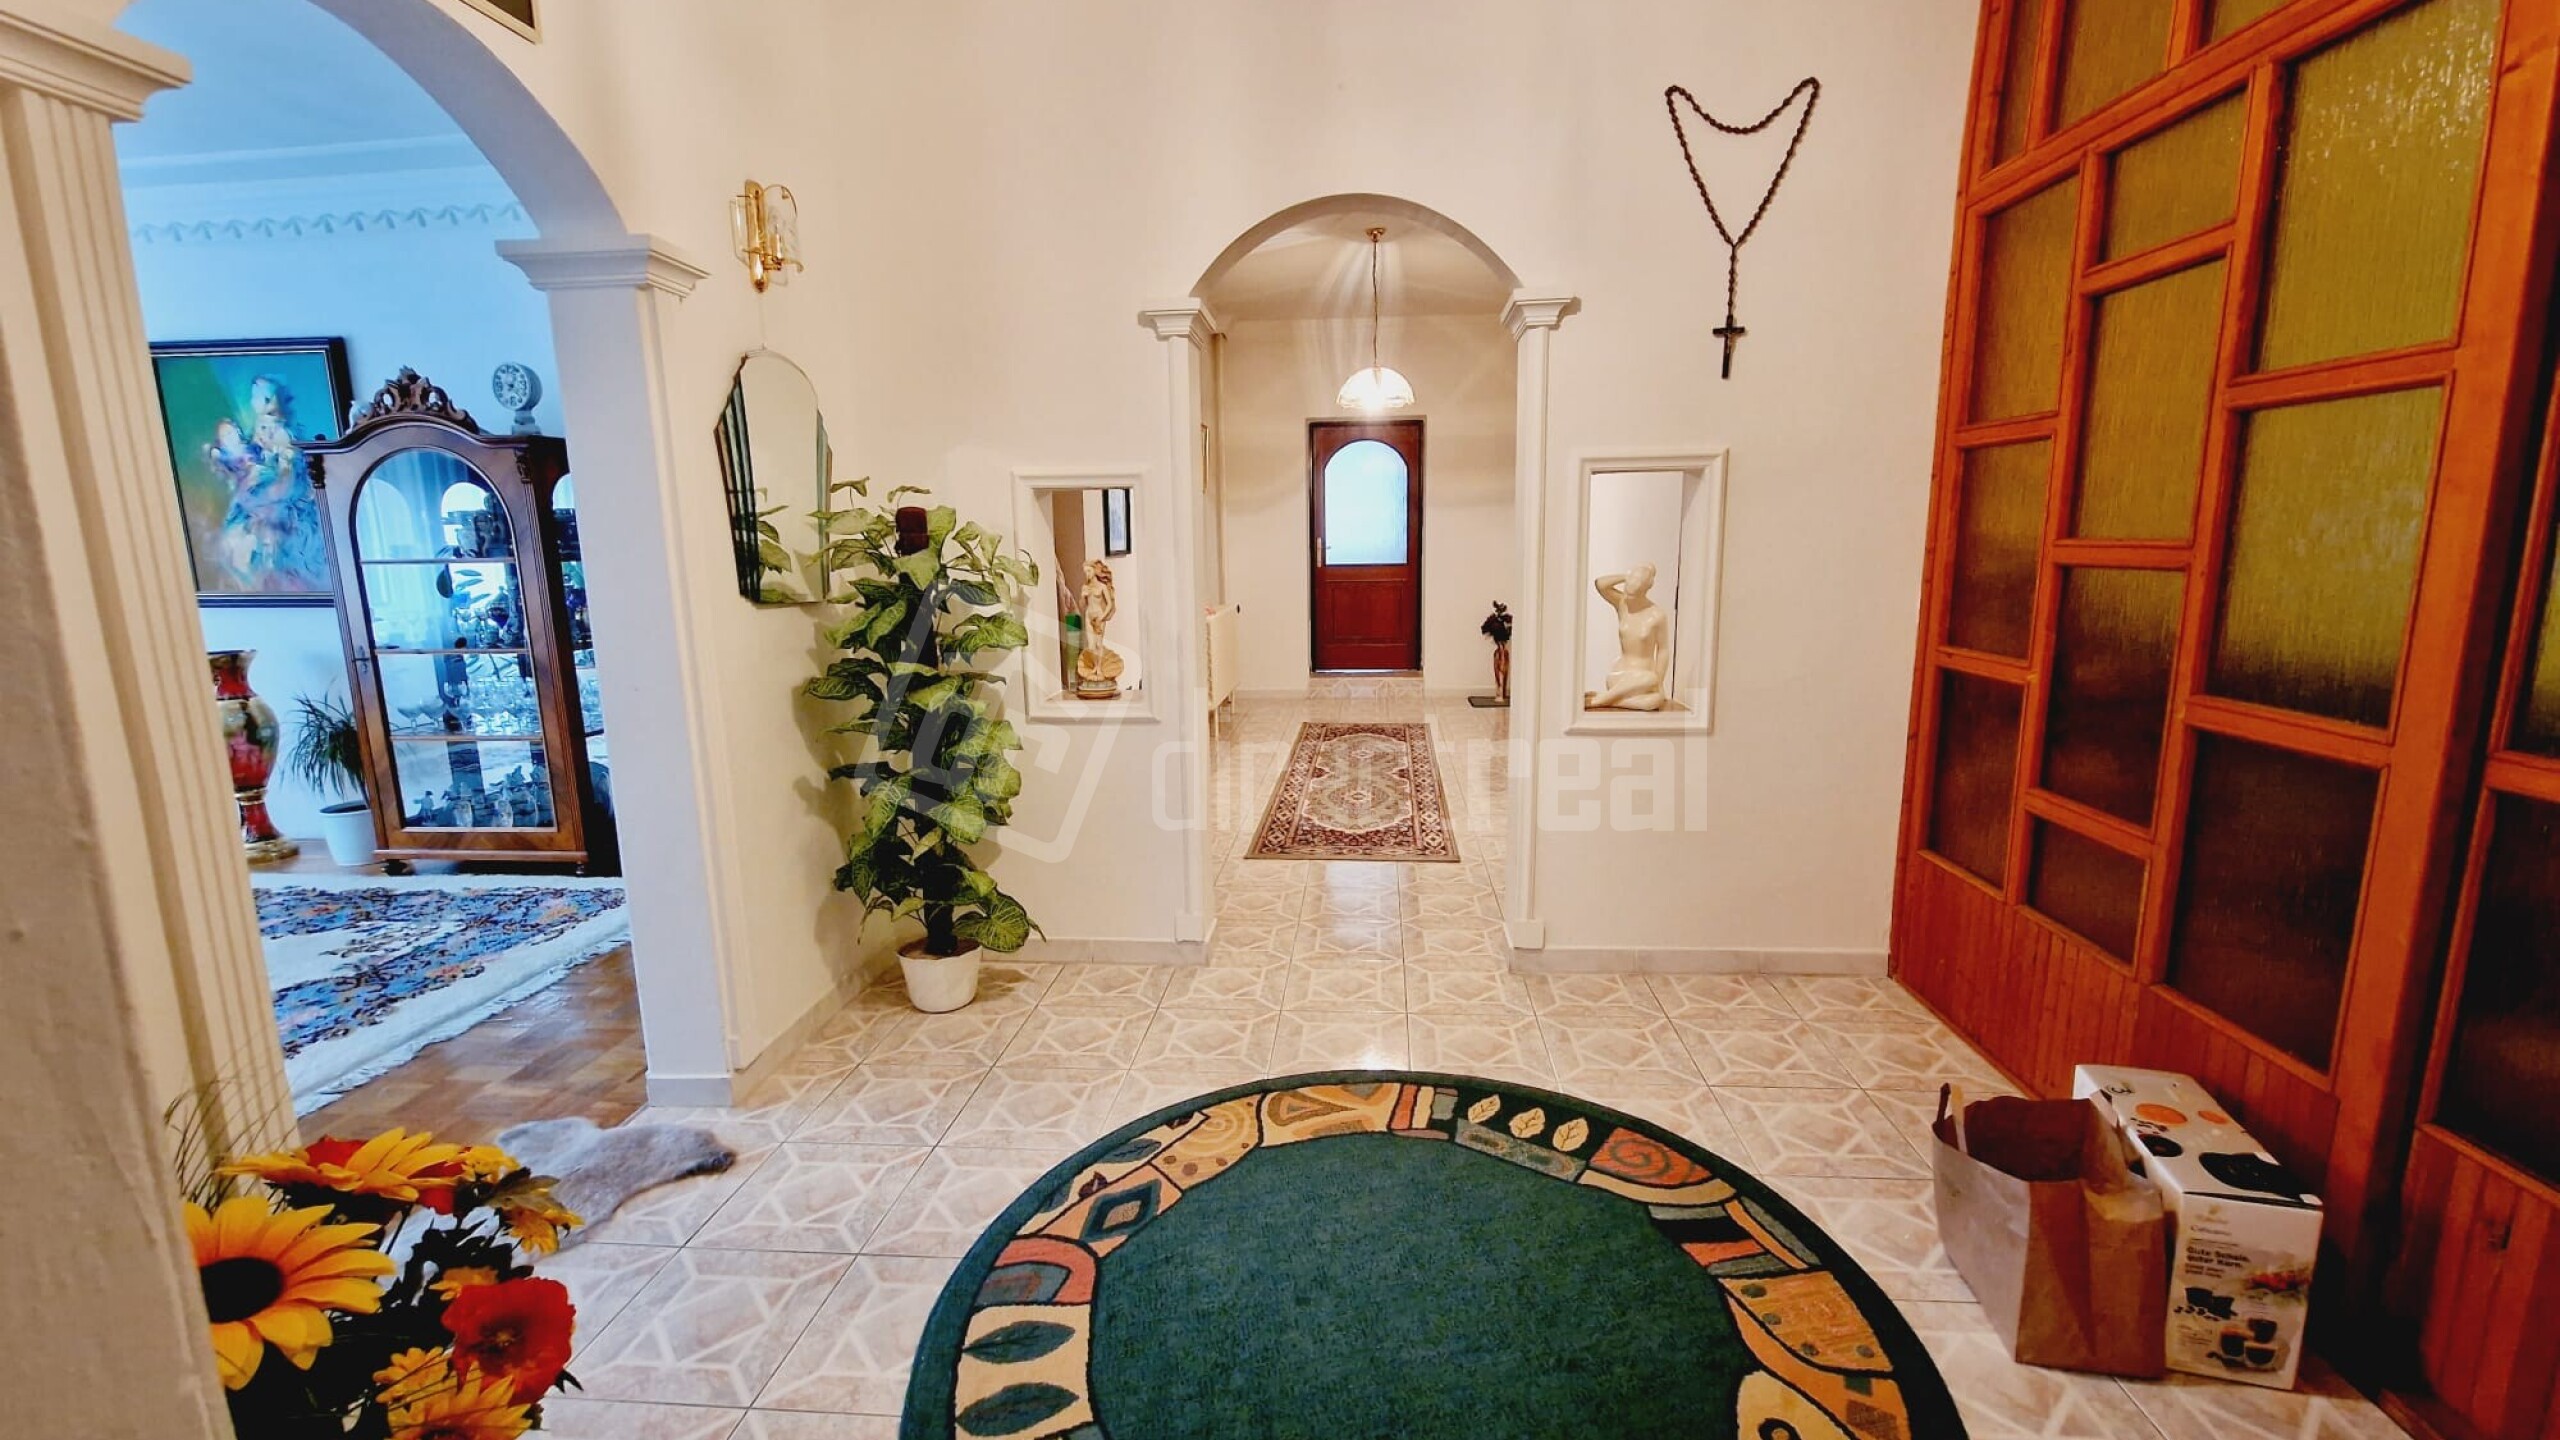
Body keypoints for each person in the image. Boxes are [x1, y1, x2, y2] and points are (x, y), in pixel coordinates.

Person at [1590, 562, 1671, 711]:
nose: (1628, 596)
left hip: (1644, 680)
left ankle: (1604, 700)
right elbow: (1601, 584)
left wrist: (1659, 682)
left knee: (1653, 697)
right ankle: (1608, 698)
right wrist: (1626, 576)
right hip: (1619, 677)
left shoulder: (1657, 615)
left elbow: (1663, 650)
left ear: (1646, 589)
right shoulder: (1622, 604)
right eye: (1627, 591)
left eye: (1633, 593)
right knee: (1651, 694)